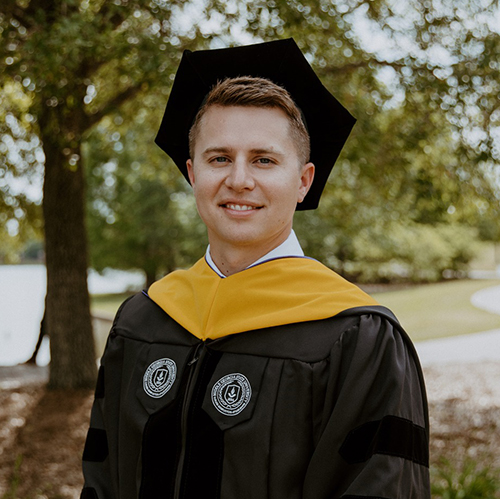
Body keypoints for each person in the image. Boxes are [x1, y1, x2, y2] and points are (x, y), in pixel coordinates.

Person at [81, 39, 430, 499]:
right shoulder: (143, 321)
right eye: (219, 158)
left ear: (303, 180)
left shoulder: (356, 338)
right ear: (192, 173)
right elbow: (102, 481)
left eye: (264, 160)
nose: (239, 179)